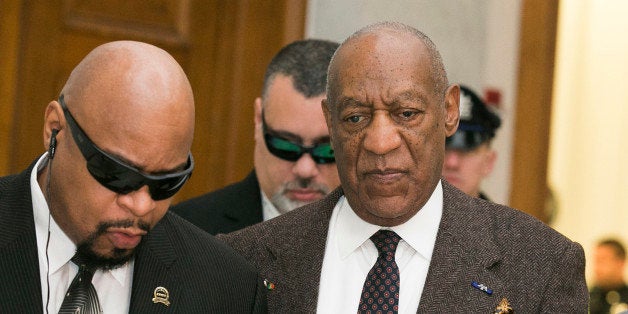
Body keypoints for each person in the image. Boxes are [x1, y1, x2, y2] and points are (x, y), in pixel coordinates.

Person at [218, 21, 588, 313]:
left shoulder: (541, 268)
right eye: (355, 118)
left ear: (449, 111)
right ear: (329, 121)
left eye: (406, 114)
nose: (381, 142)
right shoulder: (243, 261)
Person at [0, 41, 266, 313]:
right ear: (55, 129)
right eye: (117, 173)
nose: (142, 205)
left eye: (166, 182)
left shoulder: (227, 291)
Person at [171, 39, 341, 234]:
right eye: (285, 146)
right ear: (258, 118)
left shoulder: (382, 237)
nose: (305, 170)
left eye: (327, 149)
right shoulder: (187, 232)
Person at [442, 84, 501, 200]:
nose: (451, 163)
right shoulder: (400, 216)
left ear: (489, 162)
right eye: (443, 148)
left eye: (466, 151)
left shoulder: (503, 218)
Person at [590, 238, 628, 314]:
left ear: (620, 262)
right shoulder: (586, 298)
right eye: (596, 261)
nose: (597, 268)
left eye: (602, 260)